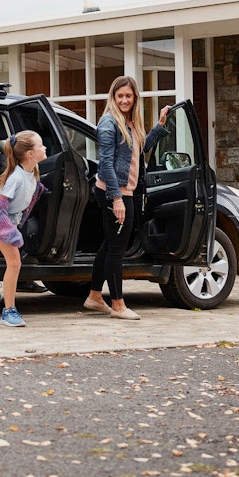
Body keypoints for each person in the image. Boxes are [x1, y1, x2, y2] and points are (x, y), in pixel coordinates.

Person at [83, 75, 171, 320]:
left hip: (124, 191)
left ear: (134, 99)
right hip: (115, 192)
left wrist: (159, 127)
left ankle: (94, 296)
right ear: (113, 97)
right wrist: (117, 199)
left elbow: (139, 151)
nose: (124, 100)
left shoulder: (129, 122)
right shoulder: (109, 123)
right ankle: (118, 305)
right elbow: (106, 165)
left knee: (110, 245)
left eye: (128, 96)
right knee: (116, 250)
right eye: (119, 96)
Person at [0, 130, 48, 327]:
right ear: (30, 154)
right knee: (14, 263)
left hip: (8, 217)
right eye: (41, 145)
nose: (45, 147)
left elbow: (30, 192)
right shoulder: (15, 178)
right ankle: (9, 311)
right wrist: (7, 231)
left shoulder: (32, 171)